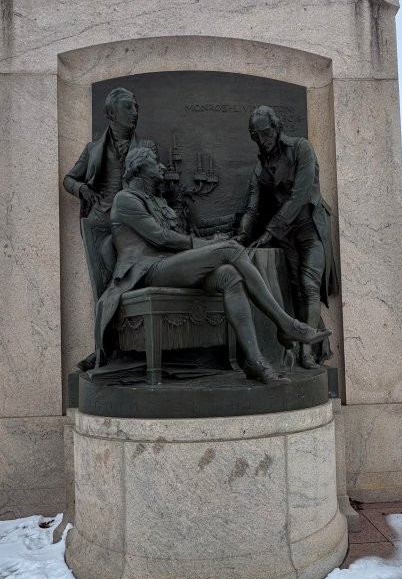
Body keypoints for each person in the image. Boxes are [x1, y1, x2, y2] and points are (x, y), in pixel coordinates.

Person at [94, 147, 331, 384]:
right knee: (230, 250)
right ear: (139, 168)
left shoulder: (157, 200)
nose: (163, 166)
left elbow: (178, 237)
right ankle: (286, 324)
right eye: (156, 162)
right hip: (148, 271)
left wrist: (210, 242)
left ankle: (255, 361)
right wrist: (207, 244)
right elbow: (161, 237)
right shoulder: (125, 199)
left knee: (229, 275)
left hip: (172, 266)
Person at [238, 106, 339, 368]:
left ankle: (307, 353)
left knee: (309, 285)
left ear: (276, 128)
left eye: (266, 132)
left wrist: (270, 231)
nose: (263, 139)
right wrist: (241, 236)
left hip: (310, 228)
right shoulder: (260, 169)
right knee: (295, 290)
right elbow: (253, 207)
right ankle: (305, 347)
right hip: (287, 236)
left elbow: (301, 195)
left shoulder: (301, 149)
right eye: (256, 135)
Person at [63, 87, 157, 369]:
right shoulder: (93, 149)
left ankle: (136, 347)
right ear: (111, 113)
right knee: (102, 288)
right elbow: (69, 179)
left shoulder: (148, 147)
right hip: (101, 222)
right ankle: (102, 351)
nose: (135, 112)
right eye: (128, 107)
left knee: (133, 282)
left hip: (134, 223)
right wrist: (82, 189)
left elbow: (155, 183)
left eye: (136, 107)